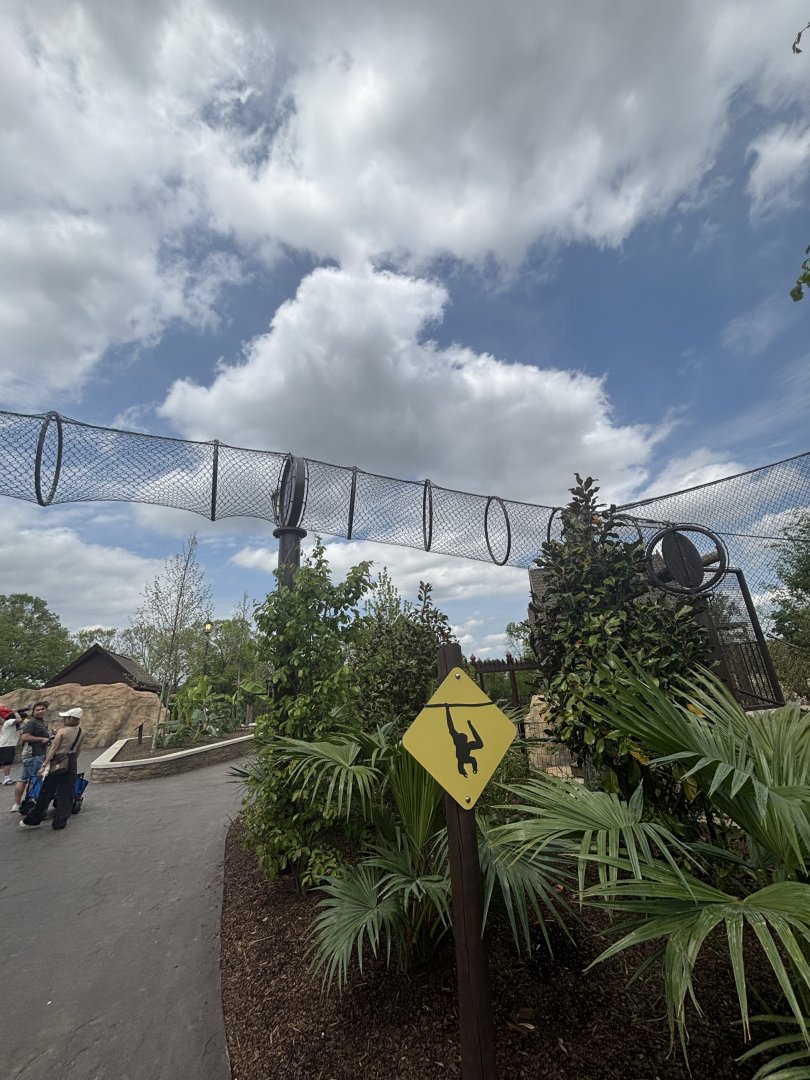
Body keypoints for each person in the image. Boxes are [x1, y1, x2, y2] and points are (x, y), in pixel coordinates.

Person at [20, 708, 83, 831]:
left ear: (70, 718)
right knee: (67, 792)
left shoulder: (62, 732)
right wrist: (72, 761)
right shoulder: (81, 731)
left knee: (47, 791)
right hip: (71, 761)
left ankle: (34, 819)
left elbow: (53, 749)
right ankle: (60, 821)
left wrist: (44, 765)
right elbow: (79, 748)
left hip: (58, 761)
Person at [11, 701, 52, 813]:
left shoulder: (41, 722)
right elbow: (25, 737)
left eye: (42, 709)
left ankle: (19, 804)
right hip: (33, 754)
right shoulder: (32, 723)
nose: (40, 711)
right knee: (32, 778)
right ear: (33, 712)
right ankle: (29, 802)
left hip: (37, 753)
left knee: (25, 778)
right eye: (37, 710)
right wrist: (41, 739)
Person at [1, 706, 26, 784]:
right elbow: (19, 719)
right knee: (7, 762)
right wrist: (15, 712)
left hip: (6, 744)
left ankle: (6, 778)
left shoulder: (15, 725)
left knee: (6, 762)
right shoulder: (9, 721)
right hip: (6, 745)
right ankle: (6, 779)